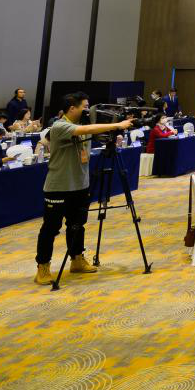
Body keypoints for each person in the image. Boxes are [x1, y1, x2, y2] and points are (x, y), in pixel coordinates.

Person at [34, 92, 133, 285]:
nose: (88, 110)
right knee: (51, 228)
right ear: (72, 108)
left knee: (77, 224)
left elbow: (97, 131)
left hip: (80, 185)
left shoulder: (83, 125)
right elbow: (87, 129)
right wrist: (117, 125)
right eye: (85, 107)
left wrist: (120, 124)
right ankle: (43, 266)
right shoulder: (60, 126)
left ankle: (77, 259)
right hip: (58, 187)